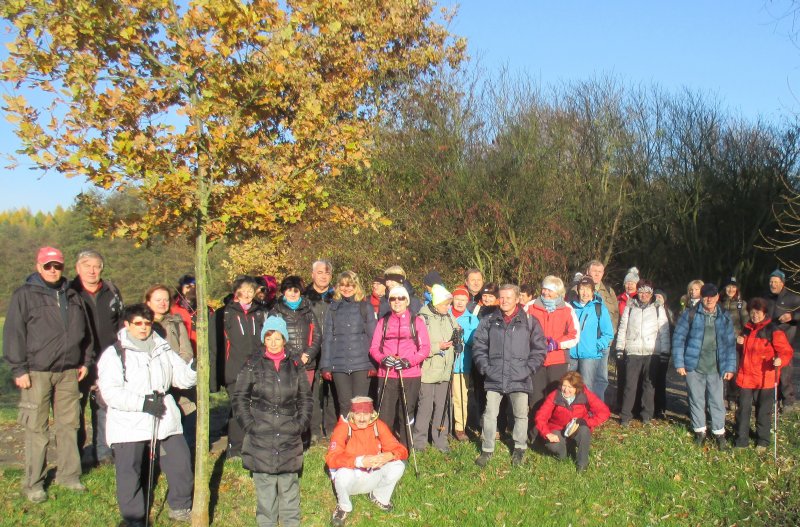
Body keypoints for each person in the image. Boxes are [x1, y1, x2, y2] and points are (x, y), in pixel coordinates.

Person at [4, 246, 92, 503]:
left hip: (68, 372)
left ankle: (69, 476)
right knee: (36, 428)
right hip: (37, 372)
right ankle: (34, 483)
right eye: (48, 266)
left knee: (69, 426)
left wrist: (85, 360)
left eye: (57, 266)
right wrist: (19, 369)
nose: (53, 270)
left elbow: (85, 332)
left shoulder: (73, 294)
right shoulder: (24, 295)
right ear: (38, 266)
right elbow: (13, 334)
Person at [97, 303, 197, 525]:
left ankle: (180, 506)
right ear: (127, 325)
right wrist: (142, 403)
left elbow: (179, 377)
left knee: (180, 461)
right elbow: (110, 393)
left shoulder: (162, 348)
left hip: (163, 415)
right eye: (138, 324)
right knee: (129, 470)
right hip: (129, 421)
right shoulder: (114, 354)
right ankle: (134, 516)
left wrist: (193, 369)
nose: (143, 328)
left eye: (147, 323)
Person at [230, 316, 312, 527]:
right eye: (269, 337)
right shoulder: (252, 364)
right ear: (263, 339)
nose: (274, 342)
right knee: (265, 494)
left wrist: (300, 425)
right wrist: (250, 425)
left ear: (284, 339)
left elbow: (305, 398)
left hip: (289, 433)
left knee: (289, 491)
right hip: (261, 434)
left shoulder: (295, 365)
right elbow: (239, 397)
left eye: (277, 337)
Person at [472, 284, 546, 468]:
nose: (504, 301)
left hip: (519, 376)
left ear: (517, 299)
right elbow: (479, 346)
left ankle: (519, 448)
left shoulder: (530, 321)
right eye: (502, 297)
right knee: (490, 415)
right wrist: (485, 368)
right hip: (494, 375)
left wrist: (528, 369)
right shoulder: (489, 321)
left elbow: (539, 349)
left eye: (508, 297)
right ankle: (487, 449)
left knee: (521, 415)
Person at [70, 249, 123, 466]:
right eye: (86, 265)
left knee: (104, 407)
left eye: (96, 266)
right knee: (76, 409)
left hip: (107, 359)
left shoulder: (111, 291)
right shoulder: (70, 292)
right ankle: (78, 454)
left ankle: (103, 452)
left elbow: (121, 322)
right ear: (77, 268)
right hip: (78, 359)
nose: (92, 270)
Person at [325, 396, 409, 527]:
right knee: (342, 474)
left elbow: (402, 450)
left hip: (373, 475)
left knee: (398, 465)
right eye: (358, 414)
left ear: (372, 414)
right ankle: (344, 507)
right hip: (351, 479)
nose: (362, 418)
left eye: (366, 414)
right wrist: (359, 461)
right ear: (352, 414)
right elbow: (331, 459)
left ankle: (379, 496)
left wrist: (389, 455)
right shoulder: (343, 428)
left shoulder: (378, 425)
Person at [673, 283, 737, 449]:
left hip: (716, 366)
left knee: (716, 401)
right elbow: (679, 339)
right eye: (706, 296)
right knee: (696, 400)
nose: (709, 299)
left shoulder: (724, 316)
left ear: (717, 297)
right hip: (694, 365)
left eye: (712, 296)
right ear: (701, 297)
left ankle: (718, 432)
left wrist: (730, 367)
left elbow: (730, 343)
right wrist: (679, 363)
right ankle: (700, 431)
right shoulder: (690, 314)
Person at [369, 285, 430, 448]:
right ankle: (385, 446)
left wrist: (409, 361)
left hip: (410, 374)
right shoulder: (383, 321)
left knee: (406, 412)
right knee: (385, 414)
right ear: (389, 302)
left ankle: (405, 447)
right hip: (387, 373)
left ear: (407, 301)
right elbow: (374, 348)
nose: (397, 301)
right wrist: (383, 359)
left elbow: (425, 349)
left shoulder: (416, 322)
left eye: (401, 298)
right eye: (393, 299)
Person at [734, 298, 793, 449]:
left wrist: (780, 360)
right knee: (743, 410)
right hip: (746, 377)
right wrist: (739, 344)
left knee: (763, 412)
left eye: (758, 312)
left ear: (764, 313)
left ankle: (762, 441)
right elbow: (742, 351)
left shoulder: (773, 330)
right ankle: (742, 440)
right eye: (752, 312)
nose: (754, 315)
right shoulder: (747, 329)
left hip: (765, 378)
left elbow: (786, 351)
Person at [269, 275, 321, 444]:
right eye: (289, 290)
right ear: (284, 291)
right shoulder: (276, 311)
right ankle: (286, 436)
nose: (292, 294)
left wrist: (308, 354)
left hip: (307, 364)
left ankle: (304, 436)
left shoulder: (308, 310)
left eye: (296, 290)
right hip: (284, 363)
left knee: (304, 400)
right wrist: (293, 356)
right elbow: (273, 338)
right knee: (286, 400)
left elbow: (317, 336)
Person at [145, 284, 196, 451]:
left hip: (178, 377)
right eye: (158, 300)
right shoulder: (143, 325)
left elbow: (186, 350)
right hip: (154, 381)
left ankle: (186, 451)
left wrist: (177, 371)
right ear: (148, 302)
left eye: (166, 299)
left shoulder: (176, 322)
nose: (162, 303)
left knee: (187, 413)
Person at [320, 271, 378, 418]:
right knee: (345, 404)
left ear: (356, 286)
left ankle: (362, 437)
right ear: (338, 287)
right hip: (339, 365)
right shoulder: (332, 308)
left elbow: (373, 337)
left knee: (360, 404)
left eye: (350, 285)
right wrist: (325, 366)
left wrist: (373, 364)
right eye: (343, 285)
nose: (346, 289)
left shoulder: (365, 307)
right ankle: (347, 437)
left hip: (362, 364)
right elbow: (327, 338)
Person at [527, 276, 580, 435]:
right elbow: (522, 330)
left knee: (556, 397)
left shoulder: (567, 309)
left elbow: (574, 336)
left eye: (549, 289)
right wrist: (534, 343)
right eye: (544, 288)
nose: (545, 292)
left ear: (558, 292)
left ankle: (555, 431)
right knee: (536, 397)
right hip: (536, 360)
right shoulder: (531, 306)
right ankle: (535, 433)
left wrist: (557, 343)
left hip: (558, 360)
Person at [222, 276, 268, 457]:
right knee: (238, 409)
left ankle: (255, 445)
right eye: (244, 291)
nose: (248, 294)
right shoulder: (227, 313)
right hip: (234, 369)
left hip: (257, 368)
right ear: (237, 293)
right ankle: (235, 448)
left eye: (251, 291)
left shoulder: (260, 312)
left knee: (256, 408)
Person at [615, 279, 670, 426]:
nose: (644, 295)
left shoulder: (658, 308)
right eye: (641, 292)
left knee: (649, 386)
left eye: (647, 292)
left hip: (652, 352)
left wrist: (665, 351)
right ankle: (626, 416)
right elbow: (623, 328)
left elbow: (664, 330)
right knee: (629, 385)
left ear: (652, 293)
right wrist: (620, 348)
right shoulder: (630, 307)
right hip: (633, 351)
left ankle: (647, 416)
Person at [535, 371, 610, 472]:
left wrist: (587, 422)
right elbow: (541, 416)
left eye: (570, 387)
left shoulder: (585, 394)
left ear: (577, 388)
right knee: (555, 446)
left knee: (584, 430)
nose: (566, 390)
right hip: (557, 427)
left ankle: (582, 464)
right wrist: (547, 433)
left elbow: (604, 412)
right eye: (564, 386)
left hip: (577, 427)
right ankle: (564, 453)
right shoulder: (555, 395)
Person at [413, 285, 457, 453]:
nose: (448, 307)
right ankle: (419, 442)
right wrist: (437, 347)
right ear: (436, 303)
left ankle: (440, 439)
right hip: (428, 371)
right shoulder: (423, 318)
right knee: (425, 407)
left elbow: (456, 333)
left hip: (445, 371)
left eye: (449, 304)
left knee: (442, 406)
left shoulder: (449, 317)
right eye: (445, 304)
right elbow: (417, 345)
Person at [304, 260, 338, 440]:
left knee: (332, 390)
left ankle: (331, 428)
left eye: (327, 273)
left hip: (332, 349)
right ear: (312, 275)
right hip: (310, 349)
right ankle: (314, 429)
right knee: (311, 392)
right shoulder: (304, 298)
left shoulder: (337, 297)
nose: (323, 276)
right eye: (320, 272)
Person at [568, 276, 614, 395]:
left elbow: (608, 333)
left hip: (589, 356)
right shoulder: (570, 307)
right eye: (582, 289)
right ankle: (568, 412)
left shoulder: (599, 308)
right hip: (570, 354)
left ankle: (588, 412)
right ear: (577, 290)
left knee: (587, 388)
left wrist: (596, 346)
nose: (585, 292)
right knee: (568, 386)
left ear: (593, 291)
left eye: (588, 289)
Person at [584, 260, 619, 404]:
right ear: (588, 272)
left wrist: (609, 337)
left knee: (601, 377)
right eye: (594, 271)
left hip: (604, 342)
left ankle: (598, 407)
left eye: (600, 272)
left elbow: (615, 315)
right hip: (586, 343)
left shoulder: (610, 291)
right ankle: (584, 407)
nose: (597, 274)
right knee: (586, 377)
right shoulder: (576, 289)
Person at [766, 269, 800, 412]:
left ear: (782, 283)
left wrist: (792, 316)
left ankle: (788, 402)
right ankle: (774, 399)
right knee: (770, 370)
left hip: (786, 339)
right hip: (768, 339)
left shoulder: (793, 298)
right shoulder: (767, 298)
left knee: (785, 372)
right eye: (771, 282)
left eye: (775, 282)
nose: (772, 284)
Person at [450, 285, 480, 440]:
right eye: (457, 299)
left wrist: (463, 333)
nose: (460, 303)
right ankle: (441, 427)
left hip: (462, 365)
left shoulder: (472, 319)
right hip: (443, 364)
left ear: (467, 301)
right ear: (452, 299)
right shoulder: (444, 314)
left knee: (461, 397)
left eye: (463, 300)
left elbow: (475, 341)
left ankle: (459, 427)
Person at [720, 276, 749, 412]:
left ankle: (732, 397)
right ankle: (719, 397)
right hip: (719, 342)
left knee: (733, 371)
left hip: (734, 343)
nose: (730, 289)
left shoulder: (741, 304)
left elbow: (746, 324)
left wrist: (742, 337)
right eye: (728, 286)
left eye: (733, 287)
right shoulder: (718, 302)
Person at [615, 267, 639, 410]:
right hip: (621, 337)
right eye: (627, 283)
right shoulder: (619, 299)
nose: (629, 285)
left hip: (635, 339)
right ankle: (620, 402)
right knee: (621, 372)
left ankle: (633, 404)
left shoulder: (639, 298)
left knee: (633, 374)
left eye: (632, 283)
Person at [653, 289, 675, 418]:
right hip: (651, 349)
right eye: (655, 296)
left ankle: (661, 407)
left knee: (660, 380)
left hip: (664, 350)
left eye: (660, 296)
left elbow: (671, 330)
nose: (657, 298)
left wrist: (667, 350)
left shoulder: (668, 313)